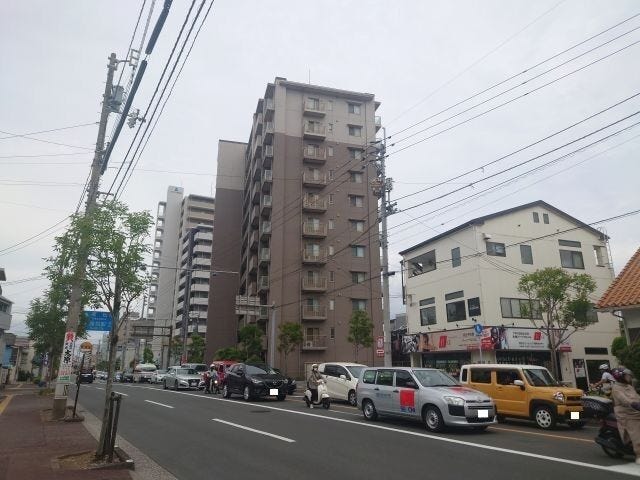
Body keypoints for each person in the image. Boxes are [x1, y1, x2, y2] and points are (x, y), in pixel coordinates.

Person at [611, 368, 640, 464]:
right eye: (628, 376)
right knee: (636, 433)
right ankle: (638, 455)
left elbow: (637, 397)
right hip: (626, 413)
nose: (630, 377)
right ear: (621, 377)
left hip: (636, 410)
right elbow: (624, 400)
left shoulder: (629, 386)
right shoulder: (616, 388)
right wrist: (634, 404)